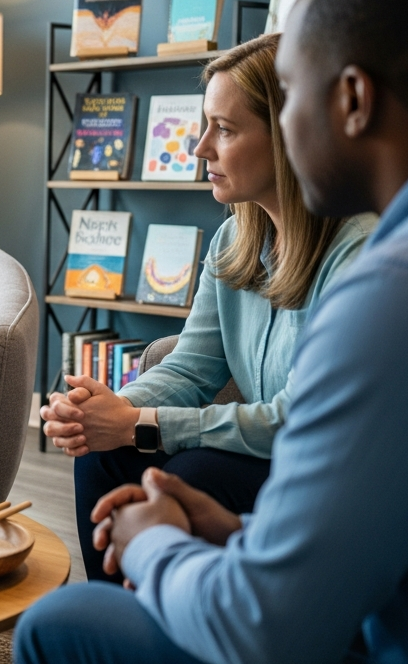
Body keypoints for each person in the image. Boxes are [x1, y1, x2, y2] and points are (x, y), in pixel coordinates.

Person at [16, 0, 408, 663]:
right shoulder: (396, 251)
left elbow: (267, 626)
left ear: (352, 99)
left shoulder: (401, 287)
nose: (198, 151)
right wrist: (227, 529)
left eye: (293, 93)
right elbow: (386, 508)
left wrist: (157, 545)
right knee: (120, 464)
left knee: (51, 625)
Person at [41, 34, 374, 584]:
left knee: (192, 472)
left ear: (290, 135)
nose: (199, 149)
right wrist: (105, 411)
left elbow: (297, 420)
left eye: (225, 128)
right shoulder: (232, 240)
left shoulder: (357, 251)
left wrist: (139, 425)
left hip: (330, 473)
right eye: (204, 125)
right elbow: (191, 367)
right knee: (101, 453)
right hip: (263, 451)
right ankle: (123, 620)